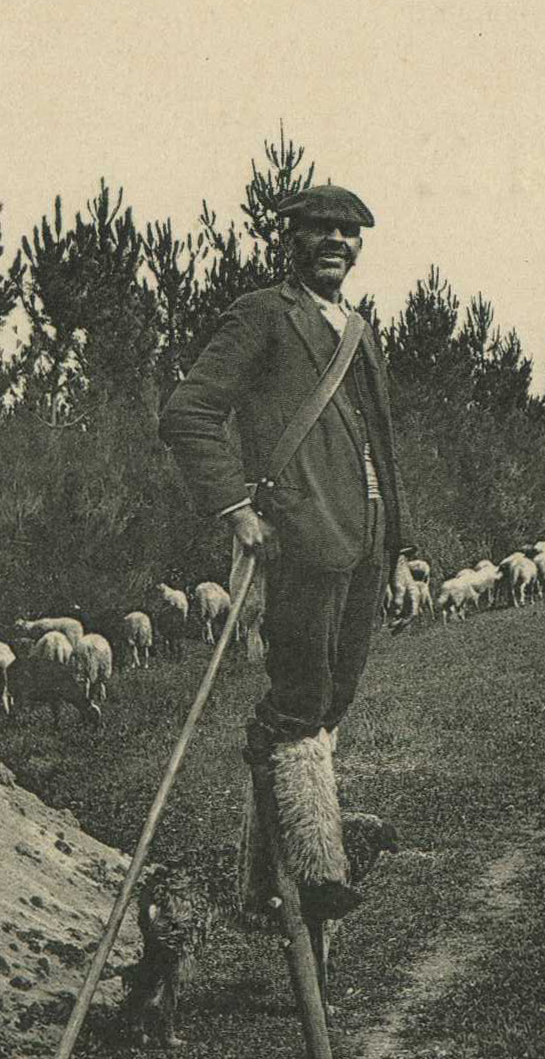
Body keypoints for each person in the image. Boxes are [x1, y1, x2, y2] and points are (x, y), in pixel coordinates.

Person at [159, 184, 417, 918]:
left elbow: (384, 448)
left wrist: (402, 549)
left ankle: (263, 878)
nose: (335, 241)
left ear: (360, 246)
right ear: (291, 239)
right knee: (300, 700)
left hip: (364, 544)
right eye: (319, 230)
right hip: (302, 538)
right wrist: (237, 508)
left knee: (334, 698)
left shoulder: (361, 330)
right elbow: (189, 413)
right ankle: (311, 869)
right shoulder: (264, 315)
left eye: (348, 232)